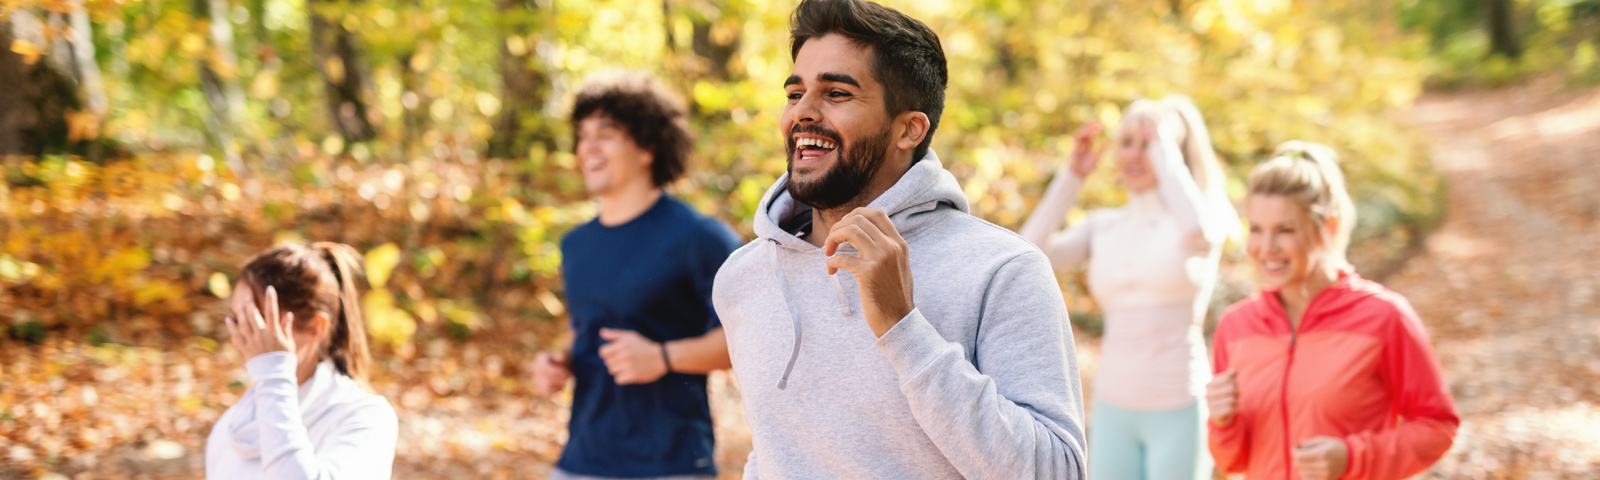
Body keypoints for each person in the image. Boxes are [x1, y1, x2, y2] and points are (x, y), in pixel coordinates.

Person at [711, 0, 1086, 478]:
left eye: (836, 93)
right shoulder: (744, 276)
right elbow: (775, 450)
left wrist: (902, 327)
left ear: (909, 129)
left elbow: (1055, 471)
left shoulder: (1002, 269)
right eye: (795, 93)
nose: (802, 112)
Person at [528, 71, 743, 480]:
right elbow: (584, 327)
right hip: (581, 460)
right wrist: (558, 361)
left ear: (647, 148)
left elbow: (749, 339)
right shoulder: (576, 244)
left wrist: (663, 357)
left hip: (670, 462)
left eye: (605, 134)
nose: (587, 147)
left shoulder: (700, 237)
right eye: (582, 136)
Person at [1205, 141, 1459, 480]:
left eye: (1284, 230)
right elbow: (1232, 461)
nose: (1266, 248)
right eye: (1256, 229)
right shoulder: (1236, 326)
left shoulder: (1383, 316)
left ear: (1329, 226)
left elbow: (1437, 425)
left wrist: (1353, 458)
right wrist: (1223, 422)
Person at [1017, 97, 1239, 480]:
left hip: (1180, 403)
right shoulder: (1103, 225)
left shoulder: (1200, 220)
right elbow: (1028, 253)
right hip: (1112, 407)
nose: (1135, 154)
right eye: (1127, 142)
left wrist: (1165, 151)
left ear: (1172, 151)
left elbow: (1199, 228)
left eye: (1148, 143)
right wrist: (1071, 177)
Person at [206, 242, 398, 479]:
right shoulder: (231, 427)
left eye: (259, 321)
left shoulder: (366, 418)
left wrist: (272, 372)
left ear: (317, 328)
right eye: (238, 320)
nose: (243, 335)